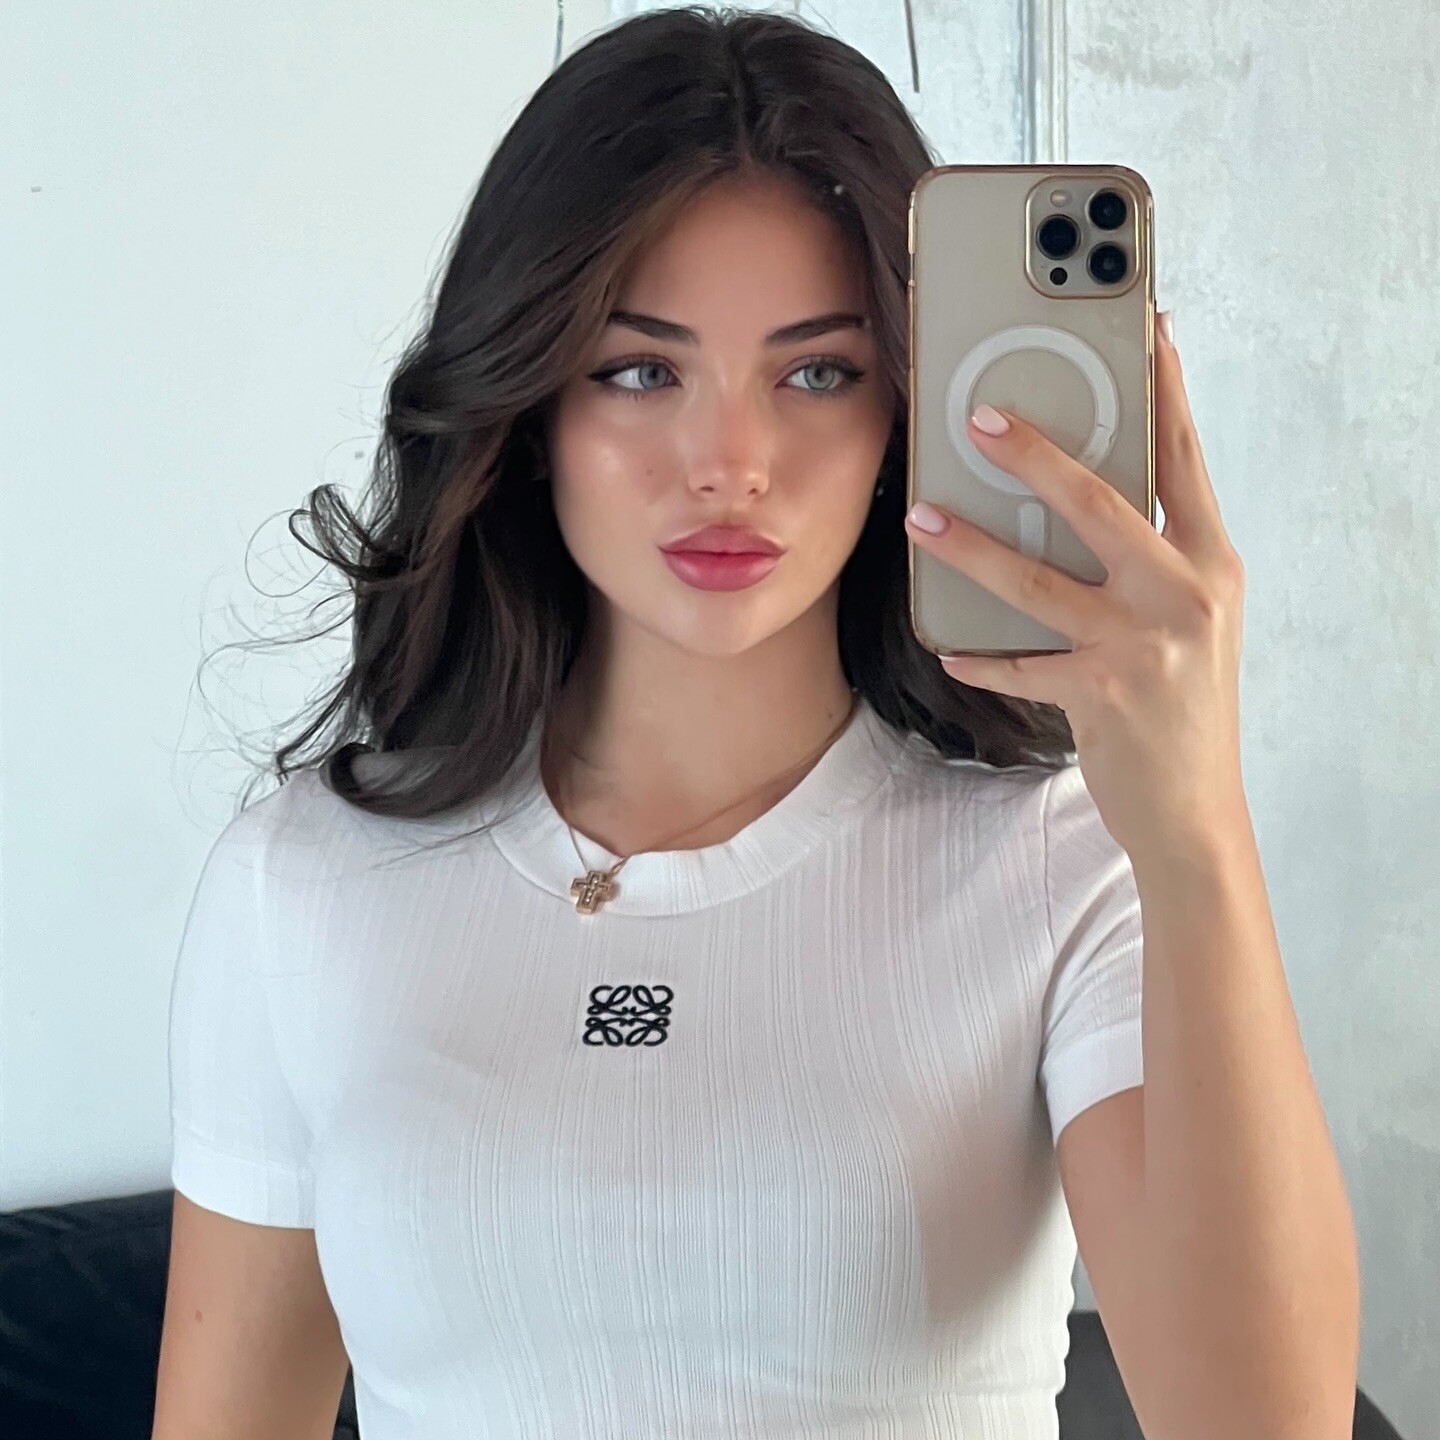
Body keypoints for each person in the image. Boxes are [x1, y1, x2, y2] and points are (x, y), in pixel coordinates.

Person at [163, 8, 1153, 1437]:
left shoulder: (1066, 868)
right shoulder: (299, 885)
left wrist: (1192, 813)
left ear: (906, 417)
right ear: (532, 409)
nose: (729, 463)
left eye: (817, 372)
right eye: (641, 370)